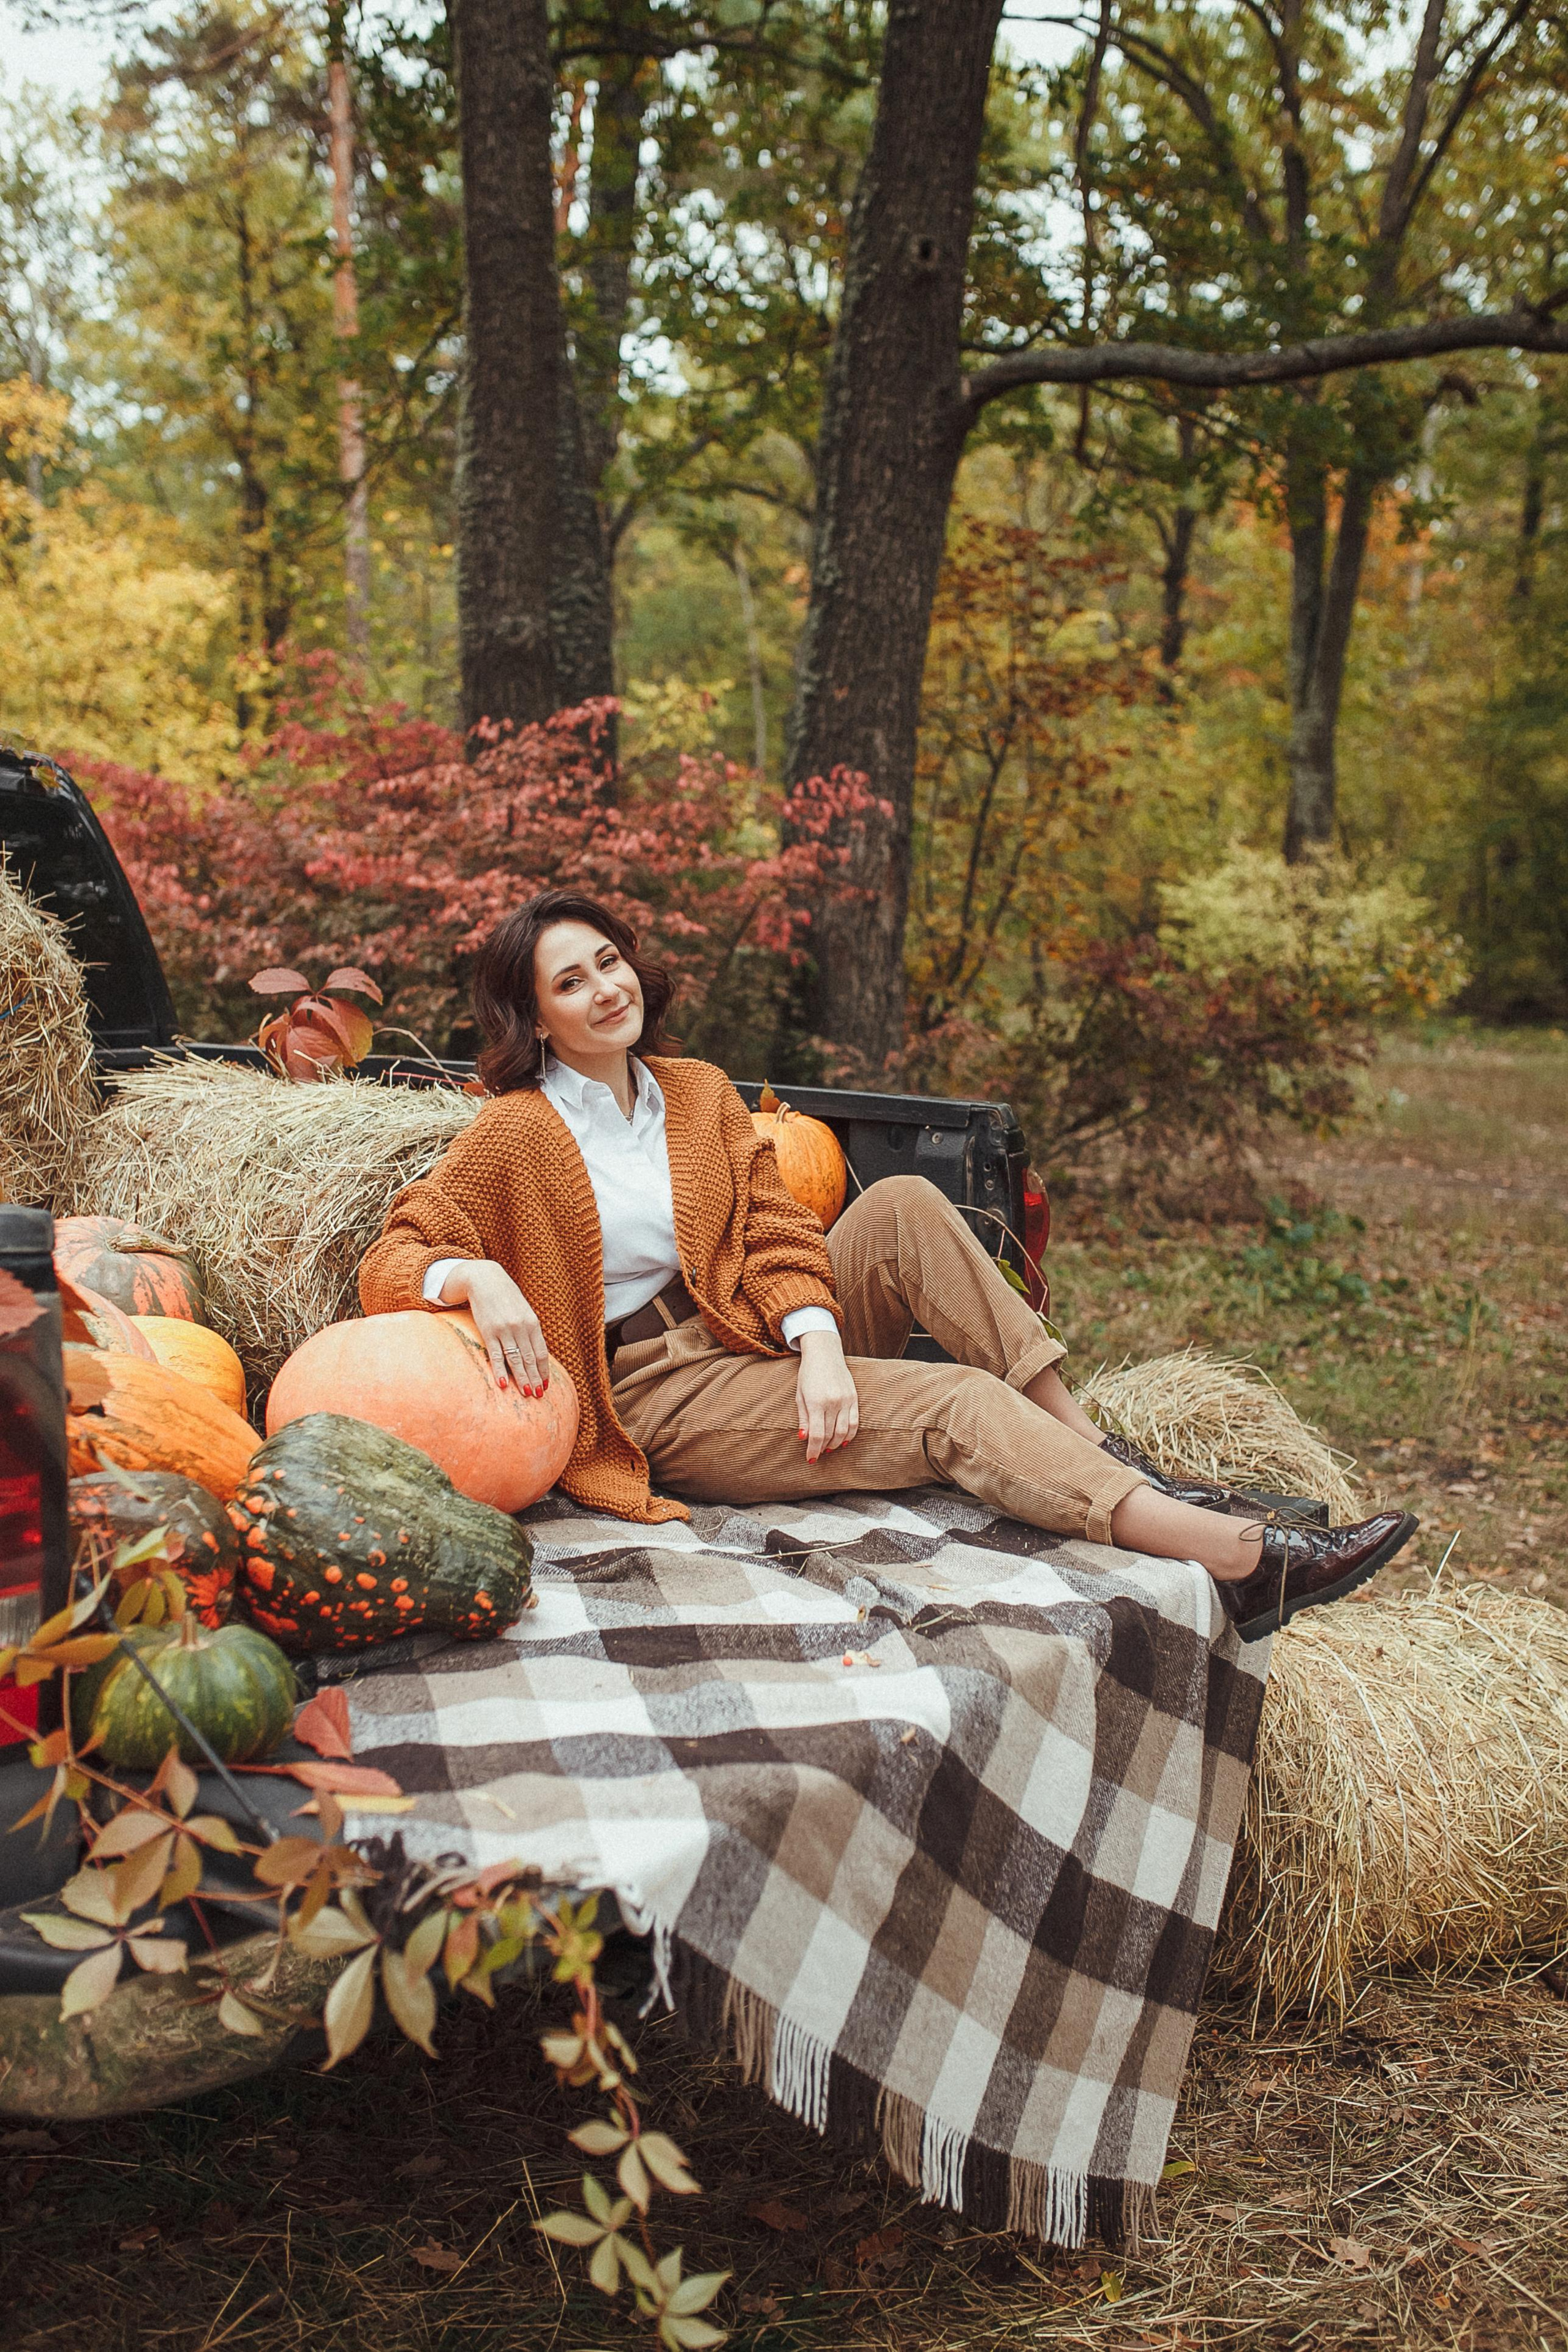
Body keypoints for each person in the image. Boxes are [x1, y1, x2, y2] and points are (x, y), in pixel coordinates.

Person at [360, 889, 1419, 1641]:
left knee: (908, 1203)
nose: (603, 989)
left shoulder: (695, 1092)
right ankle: (1233, 1563)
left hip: (749, 1328)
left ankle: (1104, 1454)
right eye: (568, 982)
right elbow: (395, 1257)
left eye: (609, 962)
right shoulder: (517, 1133)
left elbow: (776, 1230)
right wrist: (479, 1278)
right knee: (952, 1404)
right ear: (532, 1015)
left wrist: (817, 1343)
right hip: (656, 1394)